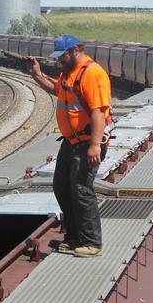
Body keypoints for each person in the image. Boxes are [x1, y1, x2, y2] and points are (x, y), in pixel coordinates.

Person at [28, 35, 112, 258]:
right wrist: (37, 75)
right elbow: (58, 89)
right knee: (62, 187)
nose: (58, 62)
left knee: (82, 190)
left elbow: (97, 112)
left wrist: (95, 145)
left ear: (75, 50)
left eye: (62, 57)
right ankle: (74, 238)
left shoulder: (92, 74)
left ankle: (92, 243)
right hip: (71, 142)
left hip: (87, 143)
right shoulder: (69, 72)